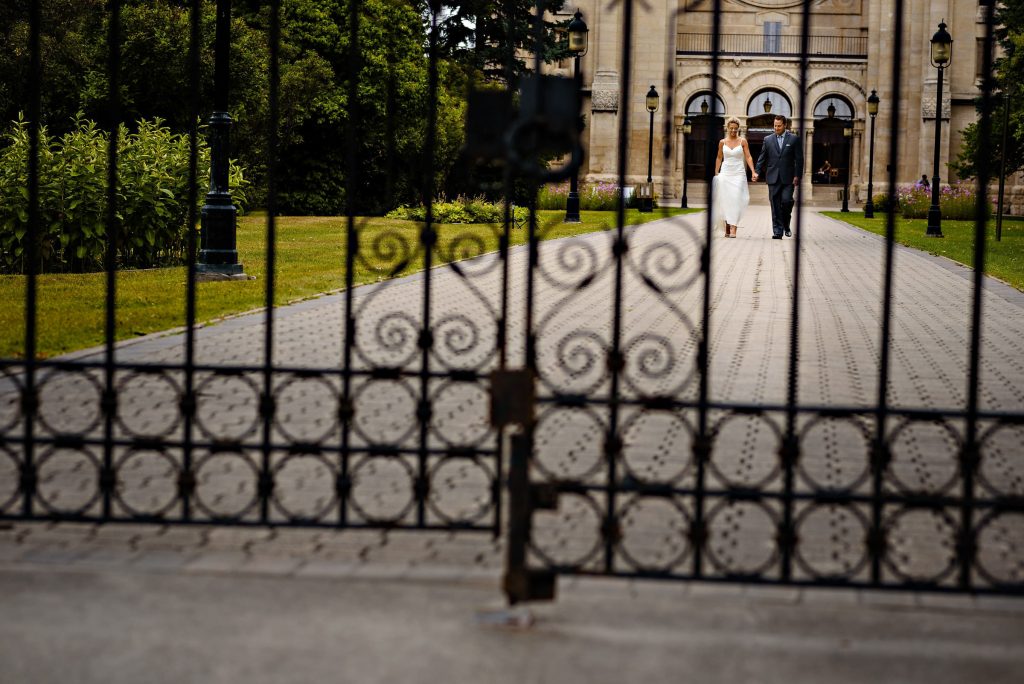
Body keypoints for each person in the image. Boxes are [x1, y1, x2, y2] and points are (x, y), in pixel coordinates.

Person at [754, 114, 804, 239]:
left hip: (789, 178)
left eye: (779, 126)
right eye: (775, 126)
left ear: (785, 125)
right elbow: (762, 157)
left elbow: (799, 159)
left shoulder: (794, 139)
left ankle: (786, 224)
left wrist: (797, 175)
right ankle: (778, 231)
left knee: (787, 201)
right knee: (775, 205)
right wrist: (756, 172)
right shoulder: (768, 139)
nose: (776, 128)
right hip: (772, 177)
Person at [712, 117, 757, 238]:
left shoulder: (743, 141)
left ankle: (733, 227)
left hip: (738, 173)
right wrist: (716, 172)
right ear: (727, 128)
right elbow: (719, 157)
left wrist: (753, 171)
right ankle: (727, 225)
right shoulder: (722, 142)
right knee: (726, 200)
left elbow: (748, 157)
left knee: (737, 199)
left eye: (735, 129)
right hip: (726, 173)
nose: (733, 131)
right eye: (731, 128)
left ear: (738, 129)